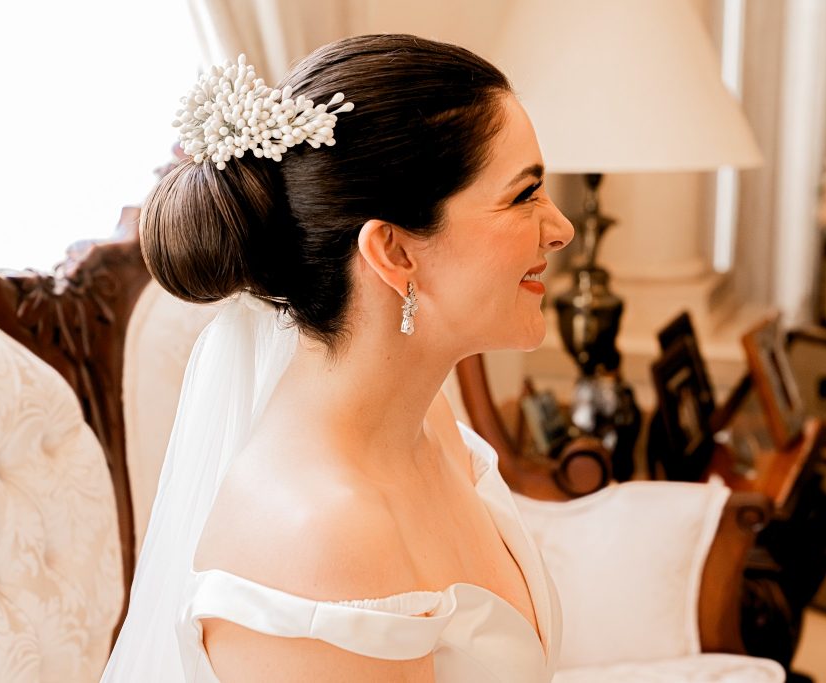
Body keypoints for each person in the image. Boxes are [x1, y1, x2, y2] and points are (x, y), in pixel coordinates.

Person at [101, 34, 574, 681]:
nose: (560, 228)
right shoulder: (319, 535)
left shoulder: (427, 422)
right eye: (524, 196)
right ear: (394, 252)